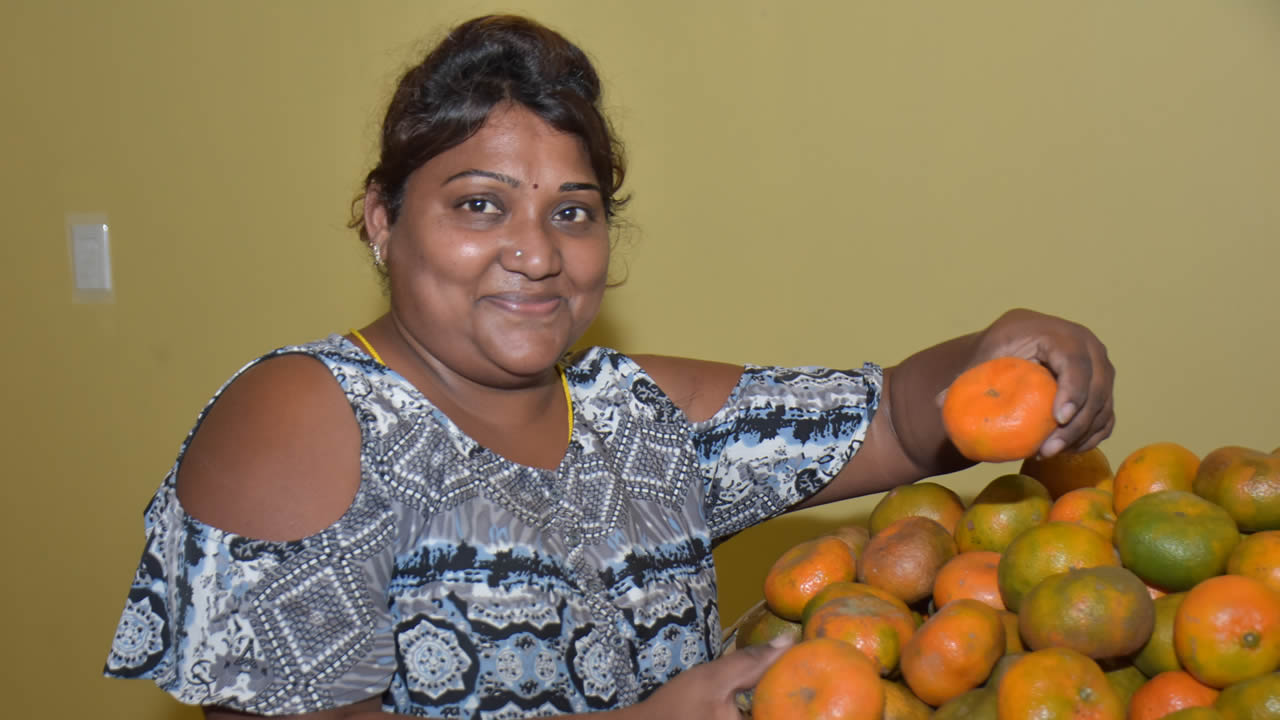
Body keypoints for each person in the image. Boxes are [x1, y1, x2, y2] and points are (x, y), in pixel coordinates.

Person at [103, 14, 1115, 720]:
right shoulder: (306, 415)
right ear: (382, 219)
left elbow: (894, 421)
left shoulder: (637, 415)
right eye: (478, 203)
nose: (536, 252)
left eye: (572, 213)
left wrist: (1004, 350)